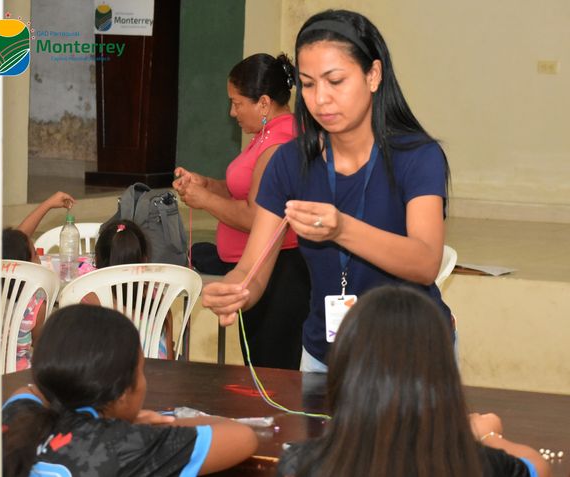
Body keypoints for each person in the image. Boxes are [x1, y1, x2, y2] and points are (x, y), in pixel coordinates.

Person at [202, 10, 451, 372]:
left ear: (373, 75)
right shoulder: (290, 162)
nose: (320, 99)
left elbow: (425, 263)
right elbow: (251, 271)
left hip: (409, 355)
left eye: (335, 81)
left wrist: (342, 229)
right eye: (308, 84)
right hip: (324, 356)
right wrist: (233, 291)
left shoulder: (418, 156)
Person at [276, 286, 550, 477]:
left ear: (346, 373)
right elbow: (536, 466)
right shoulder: (478, 465)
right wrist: (488, 435)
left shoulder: (300, 464)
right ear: (441, 376)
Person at [2, 304, 257, 477]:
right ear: (123, 393)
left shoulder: (17, 416)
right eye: (141, 371)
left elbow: (29, 390)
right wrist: (139, 425)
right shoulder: (123, 444)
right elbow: (243, 437)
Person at [173, 53, 310, 370]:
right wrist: (207, 185)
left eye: (237, 103)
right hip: (259, 270)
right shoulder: (265, 135)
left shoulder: (279, 144)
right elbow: (244, 190)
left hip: (278, 274)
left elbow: (256, 216)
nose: (232, 112)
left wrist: (205, 200)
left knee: (271, 370)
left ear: (263, 103)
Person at [2, 191, 76, 370]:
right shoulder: (35, 305)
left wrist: (48, 203)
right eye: (36, 254)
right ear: (26, 265)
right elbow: (40, 345)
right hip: (17, 375)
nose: (39, 259)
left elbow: (13, 246)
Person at [85, 219, 174, 359]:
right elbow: (169, 360)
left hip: (106, 373)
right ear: (144, 260)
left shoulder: (87, 299)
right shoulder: (158, 299)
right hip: (155, 372)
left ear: (97, 260)